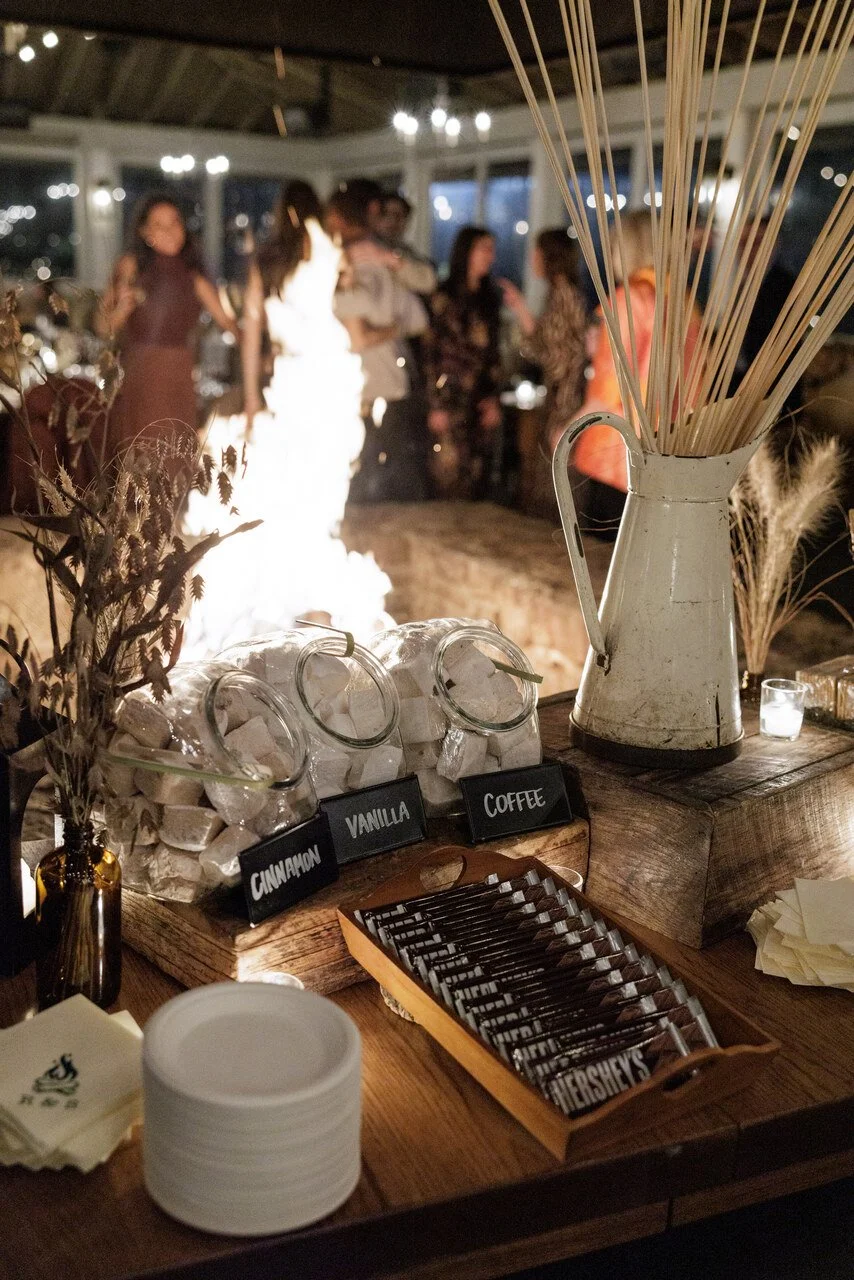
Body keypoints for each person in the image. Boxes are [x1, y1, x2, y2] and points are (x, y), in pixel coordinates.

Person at [182, 180, 389, 652]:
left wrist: (253, 399)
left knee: (286, 496)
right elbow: (352, 301)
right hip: (330, 385)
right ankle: (308, 609)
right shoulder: (332, 250)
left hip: (296, 382)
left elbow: (252, 333)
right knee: (311, 499)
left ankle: (298, 607)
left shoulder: (269, 261)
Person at [570, 210, 702, 532]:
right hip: (669, 451)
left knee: (604, 563)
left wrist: (567, 430)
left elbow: (611, 390)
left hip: (618, 454)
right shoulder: (681, 301)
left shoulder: (629, 299)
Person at [100, 194, 237, 460]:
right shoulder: (130, 265)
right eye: (159, 224)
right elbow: (104, 328)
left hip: (180, 374)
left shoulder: (193, 274)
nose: (169, 231)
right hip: (143, 371)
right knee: (143, 454)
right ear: (144, 232)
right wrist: (122, 308)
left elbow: (227, 321)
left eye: (174, 222)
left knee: (176, 456)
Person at [325, 184, 430, 503]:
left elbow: (420, 305)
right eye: (389, 215)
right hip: (360, 384)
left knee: (382, 467)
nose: (394, 223)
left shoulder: (387, 259)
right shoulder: (342, 260)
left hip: (378, 381)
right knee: (372, 467)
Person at [422, 226, 503, 500]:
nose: (490, 256)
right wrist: (436, 404)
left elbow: (493, 355)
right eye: (484, 248)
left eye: (492, 249)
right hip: (449, 400)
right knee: (447, 474)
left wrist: (493, 398)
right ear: (466, 252)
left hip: (478, 404)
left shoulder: (489, 299)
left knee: (476, 479)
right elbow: (431, 351)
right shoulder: (445, 297)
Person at [501, 228, 588, 447]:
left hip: (564, 403)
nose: (532, 258)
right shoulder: (559, 294)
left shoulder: (564, 296)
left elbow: (557, 355)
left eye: (536, 252)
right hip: (560, 399)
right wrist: (520, 307)